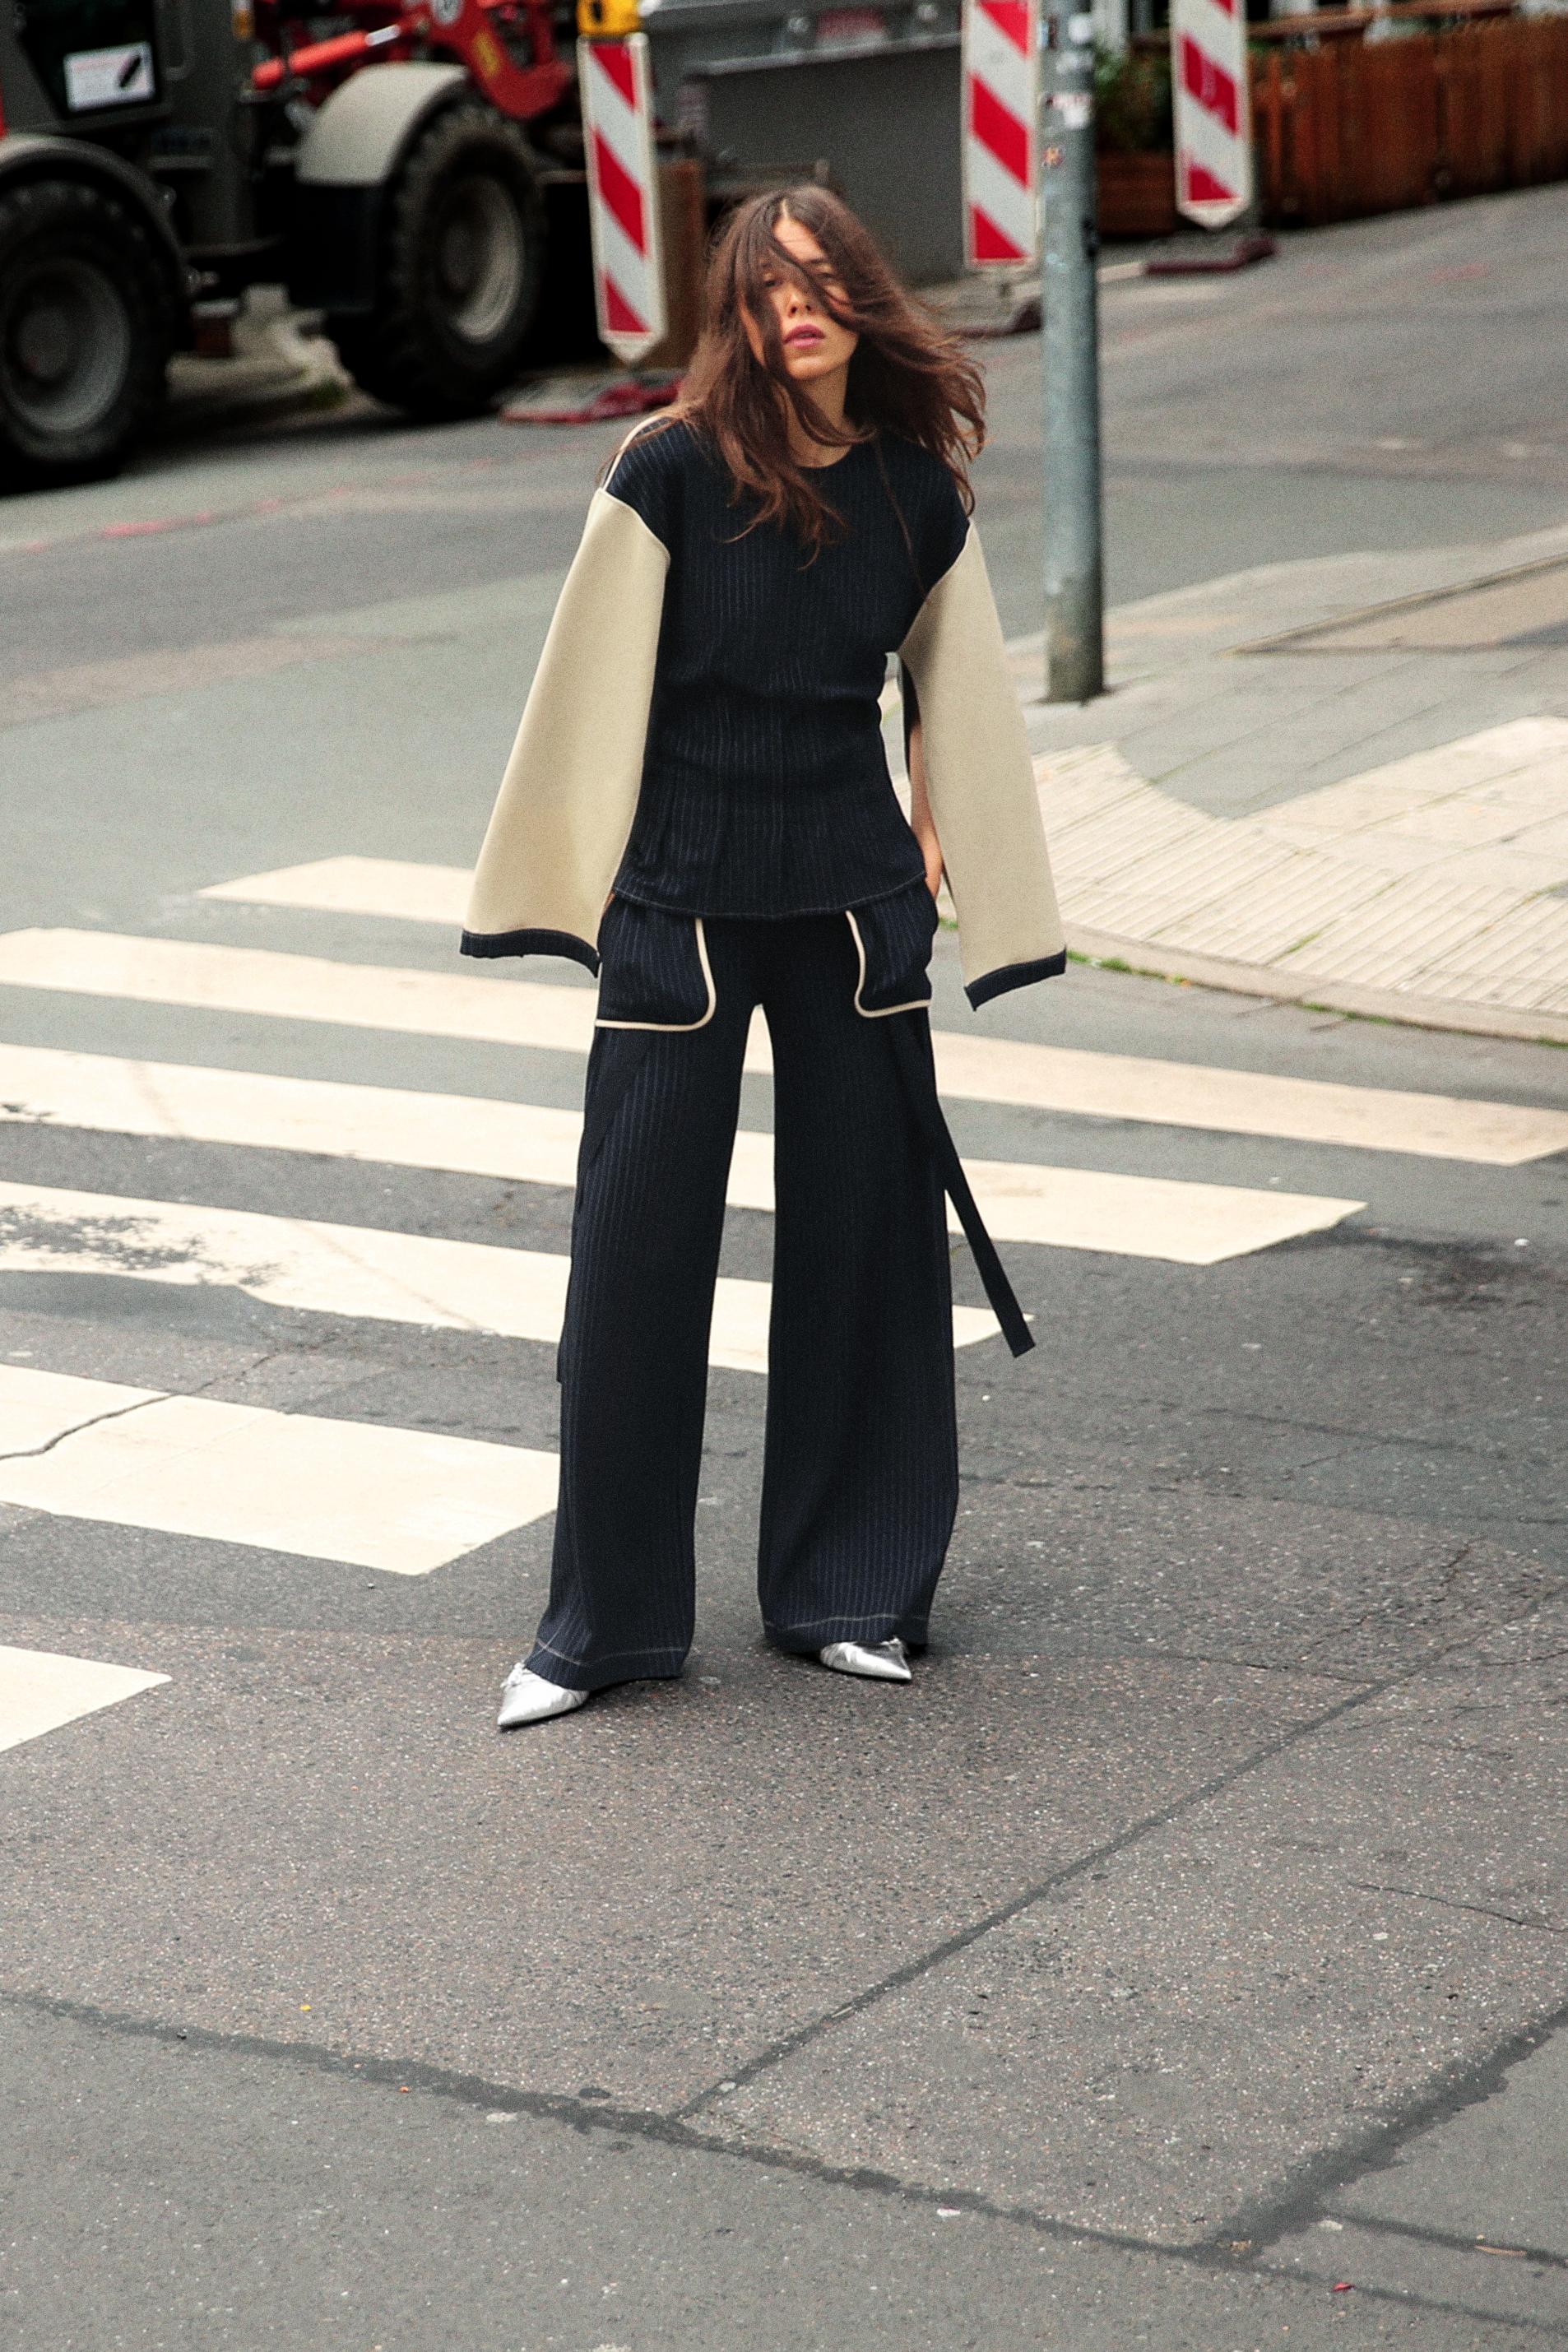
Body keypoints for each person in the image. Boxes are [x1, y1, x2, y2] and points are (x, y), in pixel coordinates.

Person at [462, 185, 1065, 1728]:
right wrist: (559, 889)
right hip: (681, 913)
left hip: (856, 920)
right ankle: (597, 1628)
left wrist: (960, 869)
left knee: (868, 1253)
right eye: (763, 287)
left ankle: (850, 1589)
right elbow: (584, 694)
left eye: (819, 281)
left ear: (862, 293)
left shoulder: (921, 494)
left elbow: (961, 707)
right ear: (730, 314)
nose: (792, 307)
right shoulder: (665, 474)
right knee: (634, 1260)